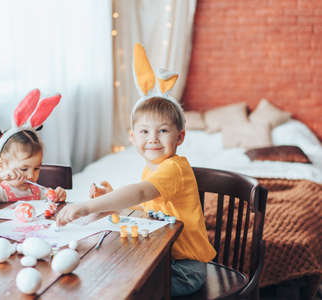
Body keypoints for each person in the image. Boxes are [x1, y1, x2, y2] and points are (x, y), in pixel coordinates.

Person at [57, 43, 216, 297]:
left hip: (185, 268)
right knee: (106, 269)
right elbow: (147, 211)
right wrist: (114, 202)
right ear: (132, 137)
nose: (153, 139)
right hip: (162, 256)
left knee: (121, 287)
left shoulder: (174, 168)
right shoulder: (151, 168)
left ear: (180, 137)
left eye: (163, 131)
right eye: (144, 131)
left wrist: (87, 207)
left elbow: (141, 194)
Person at [0, 88, 66, 210]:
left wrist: (58, 196)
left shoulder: (37, 192)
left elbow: (51, 206)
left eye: (37, 168)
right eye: (24, 168)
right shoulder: (0, 190)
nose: (31, 175)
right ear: (1, 164)